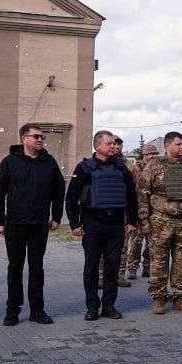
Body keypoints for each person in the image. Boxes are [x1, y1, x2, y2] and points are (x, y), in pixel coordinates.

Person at [0, 124, 65, 326]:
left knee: (37, 268)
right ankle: (12, 311)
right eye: (36, 136)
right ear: (24, 139)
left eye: (42, 136)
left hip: (39, 224)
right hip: (15, 223)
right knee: (15, 268)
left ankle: (37, 311)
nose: (41, 139)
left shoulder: (48, 162)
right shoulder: (10, 162)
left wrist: (57, 216)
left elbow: (59, 190)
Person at [67, 130, 138, 321]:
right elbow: (71, 197)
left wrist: (132, 221)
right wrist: (74, 223)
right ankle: (92, 306)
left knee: (112, 267)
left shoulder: (122, 168)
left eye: (115, 143)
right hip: (93, 223)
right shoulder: (84, 168)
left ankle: (109, 306)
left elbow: (132, 196)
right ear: (97, 146)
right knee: (91, 267)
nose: (114, 146)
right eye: (109, 143)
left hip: (115, 224)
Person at [138, 131, 182, 314]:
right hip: (160, 222)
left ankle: (179, 297)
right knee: (159, 261)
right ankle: (159, 298)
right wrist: (144, 220)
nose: (181, 147)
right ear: (167, 146)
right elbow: (143, 194)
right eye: (178, 144)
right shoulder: (154, 166)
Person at [118, 143, 157, 285]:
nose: (152, 156)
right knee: (136, 241)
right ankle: (133, 268)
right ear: (144, 156)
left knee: (151, 243)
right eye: (149, 154)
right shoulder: (135, 168)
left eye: (154, 154)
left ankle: (147, 267)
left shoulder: (157, 169)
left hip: (152, 210)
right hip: (137, 209)